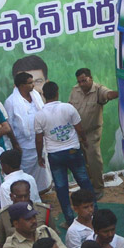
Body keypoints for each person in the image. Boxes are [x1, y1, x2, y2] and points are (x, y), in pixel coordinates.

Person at [33, 81, 92, 224]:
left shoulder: (39, 115)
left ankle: (70, 220)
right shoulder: (68, 108)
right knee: (84, 182)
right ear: (57, 92)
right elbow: (79, 128)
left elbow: (39, 140)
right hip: (73, 151)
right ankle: (93, 213)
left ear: (43, 95)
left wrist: (40, 155)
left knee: (61, 188)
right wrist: (84, 141)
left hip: (55, 155)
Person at [68, 69, 118, 198]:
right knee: (81, 161)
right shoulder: (75, 90)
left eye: (84, 80)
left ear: (91, 78)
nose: (82, 84)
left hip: (91, 133)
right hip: (76, 132)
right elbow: (70, 106)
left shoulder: (99, 90)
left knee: (93, 160)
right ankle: (88, 186)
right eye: (79, 82)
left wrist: (120, 92)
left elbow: (109, 94)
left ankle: (98, 188)